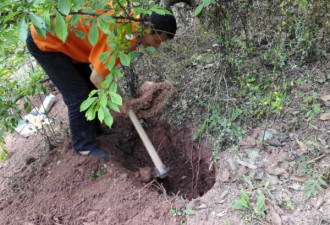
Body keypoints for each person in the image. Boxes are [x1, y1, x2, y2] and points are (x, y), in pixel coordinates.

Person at [26, 10, 177, 160]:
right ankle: (83, 146)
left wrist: (121, 98)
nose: (156, 47)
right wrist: (120, 101)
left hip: (68, 40)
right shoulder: (122, 34)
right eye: (156, 41)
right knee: (78, 96)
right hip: (45, 38)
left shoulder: (130, 18)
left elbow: (103, 73)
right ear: (147, 27)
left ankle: (94, 131)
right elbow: (98, 77)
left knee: (89, 89)